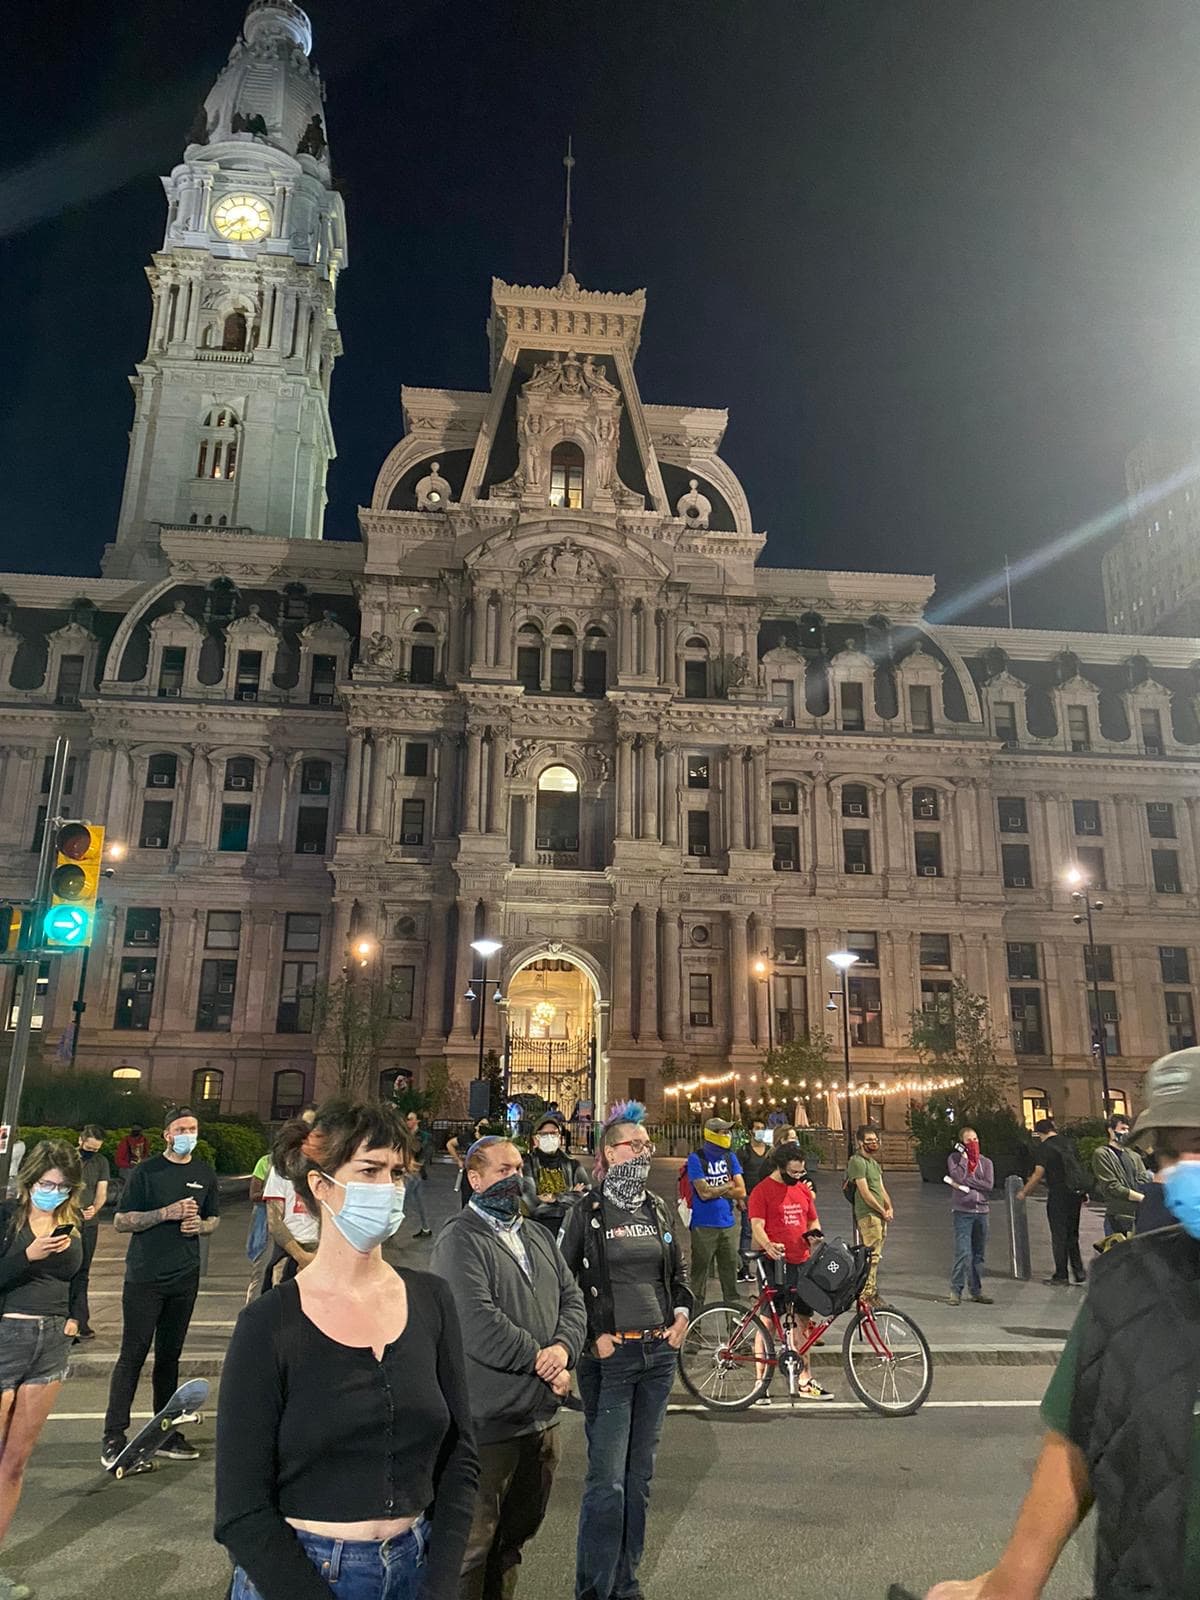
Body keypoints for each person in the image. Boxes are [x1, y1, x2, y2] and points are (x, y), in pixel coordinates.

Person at [925, 1047, 1200, 1600]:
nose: (1184, 1168)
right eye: (1171, 1154)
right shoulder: (1129, 1286)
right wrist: (999, 1588)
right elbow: (1072, 1455)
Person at [215, 1097, 479, 1600]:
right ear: (321, 1185)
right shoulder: (268, 1324)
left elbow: (459, 1458)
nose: (389, 1189)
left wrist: (440, 1583)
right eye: (370, 1170)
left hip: (415, 1566)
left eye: (396, 1173)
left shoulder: (431, 1300)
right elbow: (241, 1510)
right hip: (303, 1574)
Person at [430, 1136, 586, 1600]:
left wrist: (563, 1349)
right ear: (474, 1179)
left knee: (512, 1544)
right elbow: (476, 1319)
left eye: (519, 1167)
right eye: (502, 1169)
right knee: (471, 1550)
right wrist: (542, 1360)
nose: (516, 1177)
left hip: (539, 1421)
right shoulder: (458, 1239)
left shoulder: (536, 1234)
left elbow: (572, 1298)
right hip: (487, 1423)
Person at [559, 1101, 691, 1600]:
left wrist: (680, 1316)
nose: (644, 1151)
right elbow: (562, 1282)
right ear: (609, 1154)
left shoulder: (655, 1207)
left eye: (646, 1144)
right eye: (635, 1145)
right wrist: (594, 1334)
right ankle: (594, 1590)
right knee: (607, 1483)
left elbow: (678, 1272)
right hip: (611, 1362)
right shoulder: (585, 1213)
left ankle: (626, 1584)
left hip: (658, 1357)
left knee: (639, 1480)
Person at [101, 1107, 220, 1468]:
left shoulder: (204, 1173)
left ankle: (165, 1431)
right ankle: (113, 1435)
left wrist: (199, 1226)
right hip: (145, 1277)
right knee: (132, 1356)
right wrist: (163, 1214)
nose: (188, 1134)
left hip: (185, 1276)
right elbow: (122, 1221)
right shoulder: (147, 1171)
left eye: (193, 1128)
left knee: (170, 1357)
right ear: (167, 1134)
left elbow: (213, 1218)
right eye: (181, 1129)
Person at [0, 1140, 85, 1600]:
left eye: (63, 1186)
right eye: (46, 1184)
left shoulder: (74, 1224)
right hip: (5, 1338)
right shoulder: (5, 1219)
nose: (53, 1192)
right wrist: (27, 1256)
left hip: (51, 1345)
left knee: (14, 1464)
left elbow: (80, 1277)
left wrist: (76, 1318)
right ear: (28, 1180)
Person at [747, 1141, 833, 1402]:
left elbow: (812, 1219)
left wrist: (814, 1237)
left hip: (801, 1259)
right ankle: (760, 1382)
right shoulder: (762, 1192)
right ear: (780, 1167)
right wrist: (768, 1245)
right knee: (769, 1322)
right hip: (774, 1261)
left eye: (801, 1173)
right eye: (793, 1172)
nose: (798, 1177)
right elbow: (757, 1225)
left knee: (803, 1320)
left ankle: (805, 1379)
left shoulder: (802, 1191)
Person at [1017, 1119, 1086, 1286]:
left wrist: (1024, 1192)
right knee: (1072, 1233)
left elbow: (1038, 1173)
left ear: (1040, 1133)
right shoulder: (1070, 1143)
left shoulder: (1044, 1148)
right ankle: (1078, 1271)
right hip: (1075, 1194)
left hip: (1058, 1194)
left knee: (1059, 1235)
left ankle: (1061, 1274)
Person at [685, 1116, 745, 1308]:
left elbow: (742, 1191)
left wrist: (715, 1190)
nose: (727, 1135)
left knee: (731, 1281)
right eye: (723, 1132)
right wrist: (728, 1187)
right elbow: (703, 1193)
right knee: (698, 1280)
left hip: (727, 1225)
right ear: (711, 1134)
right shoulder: (696, 1158)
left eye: (728, 1131)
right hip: (703, 1226)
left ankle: (733, 1329)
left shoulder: (730, 1157)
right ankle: (694, 1324)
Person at [845, 1125, 894, 1308]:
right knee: (871, 1256)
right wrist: (882, 1211)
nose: (873, 1143)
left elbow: (881, 1188)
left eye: (875, 1140)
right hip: (868, 1215)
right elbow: (865, 1193)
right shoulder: (857, 1162)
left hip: (880, 1214)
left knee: (877, 1255)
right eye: (869, 1140)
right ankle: (866, 1294)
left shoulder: (874, 1164)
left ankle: (872, 1291)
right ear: (860, 1142)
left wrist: (889, 1206)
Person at [945, 1128, 994, 1307]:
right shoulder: (954, 1160)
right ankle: (955, 1290)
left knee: (978, 1254)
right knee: (964, 1252)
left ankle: (976, 1290)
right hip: (962, 1212)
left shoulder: (986, 1162)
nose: (972, 1143)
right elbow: (957, 1176)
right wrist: (965, 1162)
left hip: (982, 1212)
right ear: (961, 1144)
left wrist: (968, 1182)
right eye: (968, 1140)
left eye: (975, 1138)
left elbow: (988, 1185)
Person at [525, 1113, 590, 1237]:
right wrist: (571, 1196)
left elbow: (585, 1198)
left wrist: (555, 1197)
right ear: (535, 1139)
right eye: (544, 1134)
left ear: (560, 1138)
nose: (550, 1137)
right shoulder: (526, 1164)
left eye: (554, 1134)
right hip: (538, 1230)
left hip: (569, 1229)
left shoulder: (573, 1164)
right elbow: (531, 1203)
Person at [73, 1124, 108, 1341]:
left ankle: (80, 1320)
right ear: (81, 1141)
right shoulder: (68, 1159)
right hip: (68, 1222)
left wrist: (94, 1208)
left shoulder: (101, 1162)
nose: (91, 1152)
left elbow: (101, 1191)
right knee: (66, 1269)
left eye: (96, 1149)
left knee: (83, 1272)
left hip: (89, 1224)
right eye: (89, 1147)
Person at [1091, 1113, 1148, 1237]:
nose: (1126, 1133)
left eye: (1128, 1129)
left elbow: (1143, 1178)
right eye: (1122, 1129)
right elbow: (1112, 1186)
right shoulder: (1102, 1154)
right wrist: (1141, 1198)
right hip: (1117, 1217)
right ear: (1110, 1130)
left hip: (1138, 1216)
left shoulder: (1134, 1155)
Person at [737, 1120, 774, 1281]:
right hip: (750, 1196)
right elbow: (737, 1176)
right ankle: (744, 1267)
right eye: (757, 1128)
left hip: (768, 1198)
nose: (760, 1131)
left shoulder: (770, 1151)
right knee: (747, 1231)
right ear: (750, 1131)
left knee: (767, 1230)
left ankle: (766, 1265)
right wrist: (740, 1198)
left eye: (762, 1128)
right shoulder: (744, 1151)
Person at [448, 1121, 492, 1210]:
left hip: (485, 1174)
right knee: (467, 1199)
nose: (483, 1127)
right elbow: (450, 1144)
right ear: (476, 1126)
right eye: (481, 1125)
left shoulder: (489, 1140)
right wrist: (458, 1160)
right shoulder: (467, 1137)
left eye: (486, 1125)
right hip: (469, 1173)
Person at [404, 1112, 434, 1238]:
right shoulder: (406, 1135)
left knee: (401, 1202)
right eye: (407, 1119)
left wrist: (417, 1166)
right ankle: (426, 1228)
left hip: (413, 1173)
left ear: (417, 1121)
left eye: (410, 1119)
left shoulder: (422, 1136)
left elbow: (423, 1152)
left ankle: (388, 1230)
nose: (408, 1122)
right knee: (418, 1201)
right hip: (409, 1172)